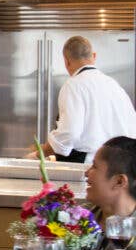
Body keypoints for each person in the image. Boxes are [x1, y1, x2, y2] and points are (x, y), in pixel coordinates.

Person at [35, 36, 136, 164]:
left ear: (66, 62)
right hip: (122, 167)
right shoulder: (114, 85)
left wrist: (39, 153)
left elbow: (69, 134)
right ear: (94, 56)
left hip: (93, 166)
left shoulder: (73, 85)